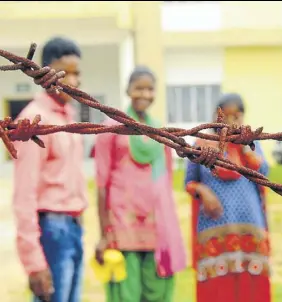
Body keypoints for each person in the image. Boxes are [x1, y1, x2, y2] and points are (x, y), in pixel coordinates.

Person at [94, 66, 186, 302]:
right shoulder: (111, 128)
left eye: (150, 89)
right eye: (139, 88)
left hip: (156, 224)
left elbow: (164, 181)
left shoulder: (159, 131)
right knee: (127, 292)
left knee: (157, 290)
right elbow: (102, 184)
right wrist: (105, 232)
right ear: (128, 90)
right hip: (123, 222)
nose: (145, 94)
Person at [12, 37, 88, 302]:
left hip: (74, 226)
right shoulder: (35, 120)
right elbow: (24, 193)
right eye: (67, 74)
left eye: (78, 74)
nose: (75, 82)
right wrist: (33, 261)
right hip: (52, 229)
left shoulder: (68, 117)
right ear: (45, 72)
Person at [184, 93, 272, 302]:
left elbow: (264, 173)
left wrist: (244, 147)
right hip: (214, 226)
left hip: (249, 226)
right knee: (217, 288)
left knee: (251, 284)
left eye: (237, 115)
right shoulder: (202, 143)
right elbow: (188, 182)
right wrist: (204, 192)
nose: (233, 121)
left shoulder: (251, 145)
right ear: (217, 117)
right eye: (227, 116)